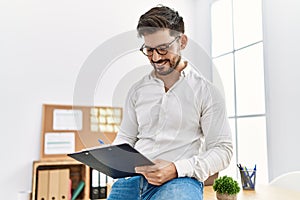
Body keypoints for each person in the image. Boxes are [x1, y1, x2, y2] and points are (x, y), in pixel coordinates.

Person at [107, 5, 233, 200]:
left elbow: (222, 149)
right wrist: (112, 157)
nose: (156, 58)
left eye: (163, 49)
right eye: (149, 50)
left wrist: (176, 168)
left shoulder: (207, 92)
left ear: (182, 41)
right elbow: (126, 137)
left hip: (180, 181)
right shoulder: (137, 91)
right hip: (130, 180)